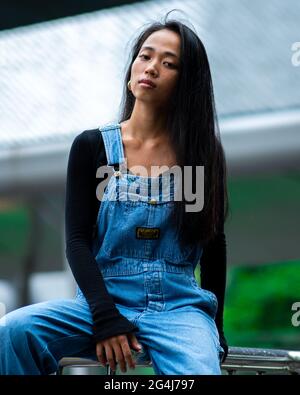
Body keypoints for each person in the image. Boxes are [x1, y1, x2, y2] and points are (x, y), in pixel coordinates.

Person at [0, 11, 229, 375]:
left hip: (178, 308)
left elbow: (213, 243)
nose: (151, 68)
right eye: (145, 55)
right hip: (100, 300)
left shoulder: (201, 153)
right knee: (14, 331)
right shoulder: (93, 147)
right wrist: (105, 317)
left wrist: (214, 329)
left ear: (187, 83)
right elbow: (76, 242)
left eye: (168, 64)